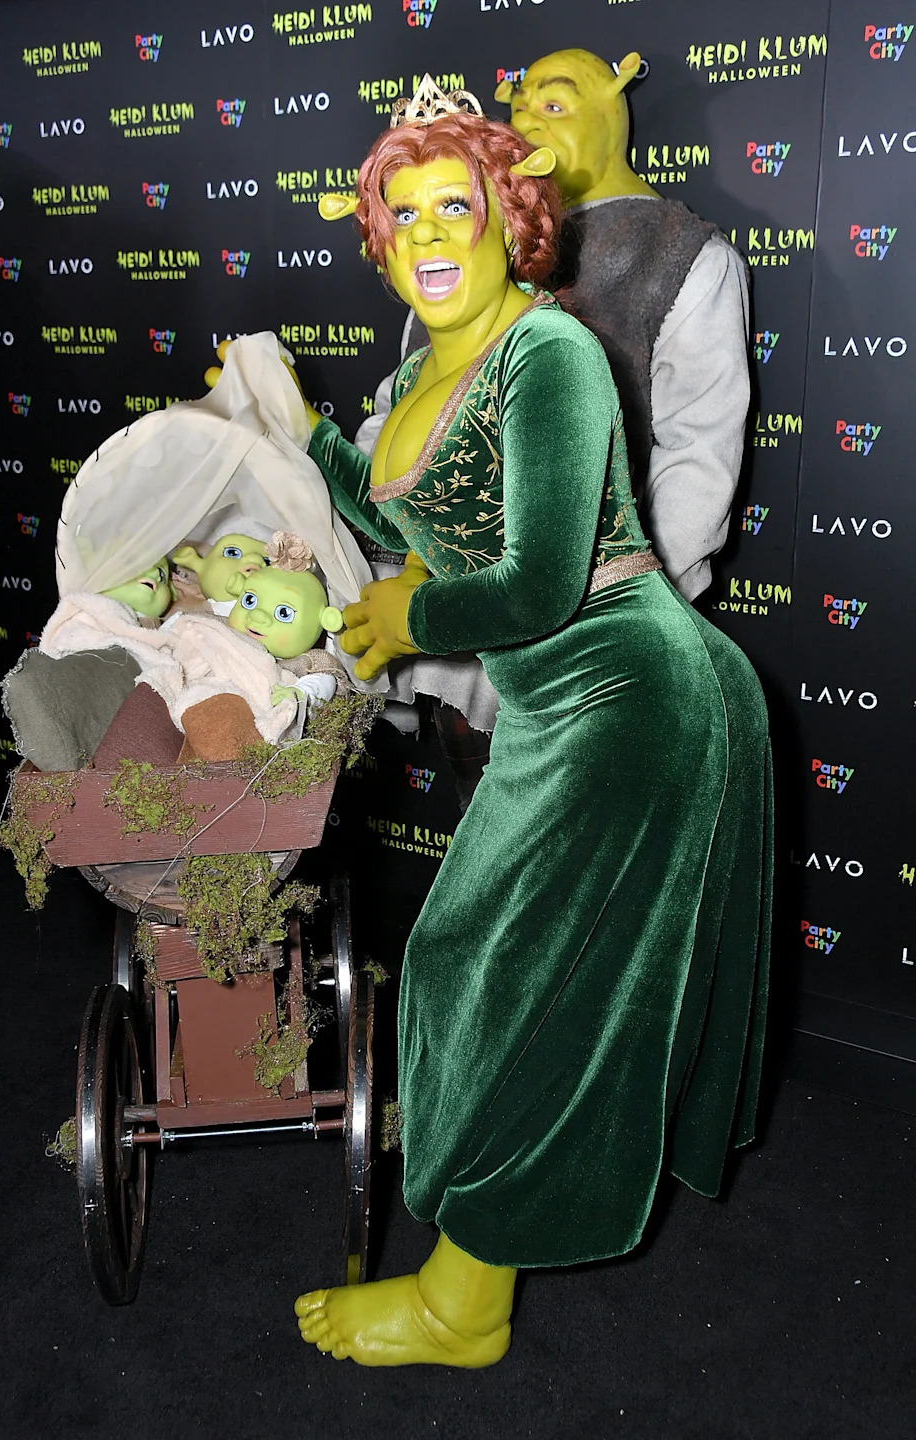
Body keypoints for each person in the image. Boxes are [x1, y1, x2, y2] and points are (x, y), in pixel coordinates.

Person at [292, 78, 771, 1369]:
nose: (430, 234)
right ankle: (471, 1276)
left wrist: (405, 616)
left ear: (511, 221)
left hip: (629, 695)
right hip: (562, 702)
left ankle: (466, 1305)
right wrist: (304, 439)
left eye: (456, 206)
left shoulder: (548, 352)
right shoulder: (419, 375)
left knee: (499, 979)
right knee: (477, 968)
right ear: (379, 237)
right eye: (404, 213)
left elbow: (539, 582)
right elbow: (409, 510)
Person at [359, 50, 750, 604]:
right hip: (429, 598)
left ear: (613, 110)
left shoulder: (683, 257)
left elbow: (697, 459)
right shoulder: (453, 260)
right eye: (519, 107)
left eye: (555, 104)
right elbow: (392, 422)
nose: (529, 121)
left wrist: (633, 607)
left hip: (581, 615)